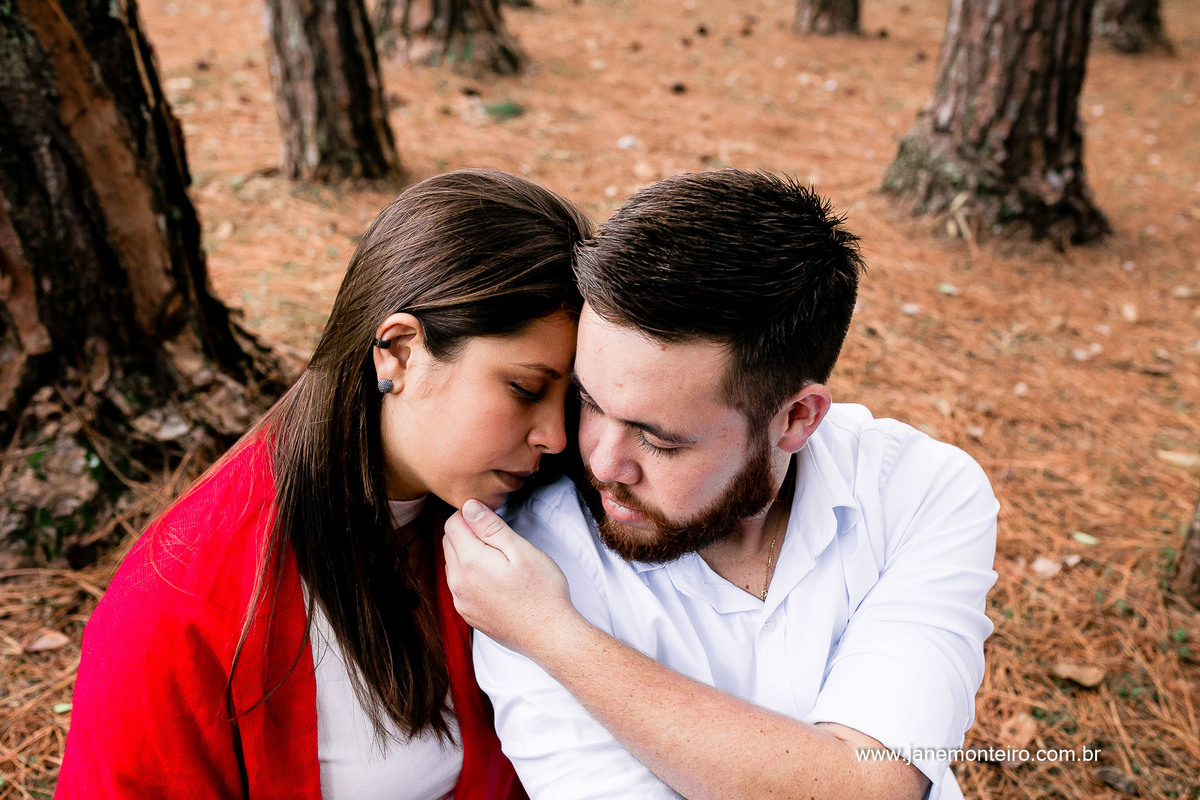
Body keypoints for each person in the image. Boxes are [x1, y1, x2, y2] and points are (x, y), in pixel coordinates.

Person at [443, 169, 999, 800]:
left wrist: (559, 640)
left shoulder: (919, 491)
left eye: (660, 440)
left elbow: (875, 785)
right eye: (590, 402)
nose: (602, 464)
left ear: (795, 419)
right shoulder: (527, 562)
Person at [56, 169, 592, 800]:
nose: (556, 436)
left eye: (572, 398)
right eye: (526, 389)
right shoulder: (182, 602)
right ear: (397, 351)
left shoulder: (531, 508)